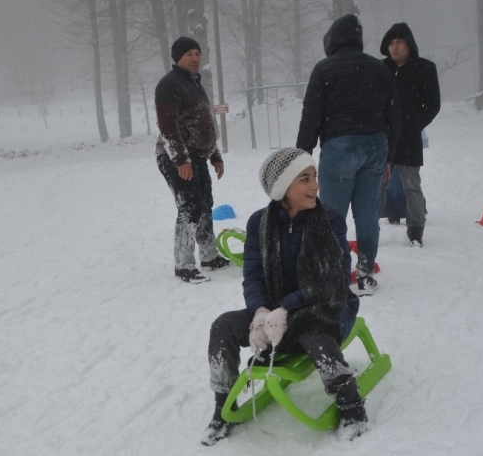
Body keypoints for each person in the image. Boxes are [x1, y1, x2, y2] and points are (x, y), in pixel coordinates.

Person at [201, 148, 365, 445]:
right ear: (282, 188)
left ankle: (352, 408)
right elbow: (253, 276)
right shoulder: (258, 224)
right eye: (304, 178)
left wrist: (287, 308)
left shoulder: (330, 221)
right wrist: (261, 312)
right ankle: (222, 408)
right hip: (275, 312)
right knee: (222, 326)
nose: (315, 185)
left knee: (311, 329)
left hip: (327, 308)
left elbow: (334, 281)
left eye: (314, 176)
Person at [296, 14, 401, 295]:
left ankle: (334, 274)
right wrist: (389, 155)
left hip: (339, 146)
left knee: (332, 214)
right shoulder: (379, 70)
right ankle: (366, 273)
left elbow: (311, 116)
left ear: (332, 40)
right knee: (367, 214)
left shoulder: (324, 69)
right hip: (375, 146)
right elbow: (394, 115)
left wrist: (302, 157)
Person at [155, 37, 230, 284]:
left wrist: (215, 155)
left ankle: (209, 256)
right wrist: (180, 159)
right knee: (189, 207)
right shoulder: (169, 85)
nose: (195, 58)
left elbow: (203, 124)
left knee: (205, 204)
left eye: (197, 53)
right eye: (189, 54)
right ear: (177, 58)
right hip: (175, 156)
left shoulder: (195, 84)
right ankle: (184, 265)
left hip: (197, 155)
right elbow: (168, 127)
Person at [377, 22, 441, 247]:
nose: (395, 47)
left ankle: (415, 231)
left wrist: (413, 125)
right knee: (378, 185)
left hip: (409, 138)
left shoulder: (424, 68)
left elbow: (432, 104)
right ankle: (369, 228)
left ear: (408, 44)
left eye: (399, 42)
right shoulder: (380, 69)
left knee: (412, 186)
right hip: (383, 139)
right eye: (391, 43)